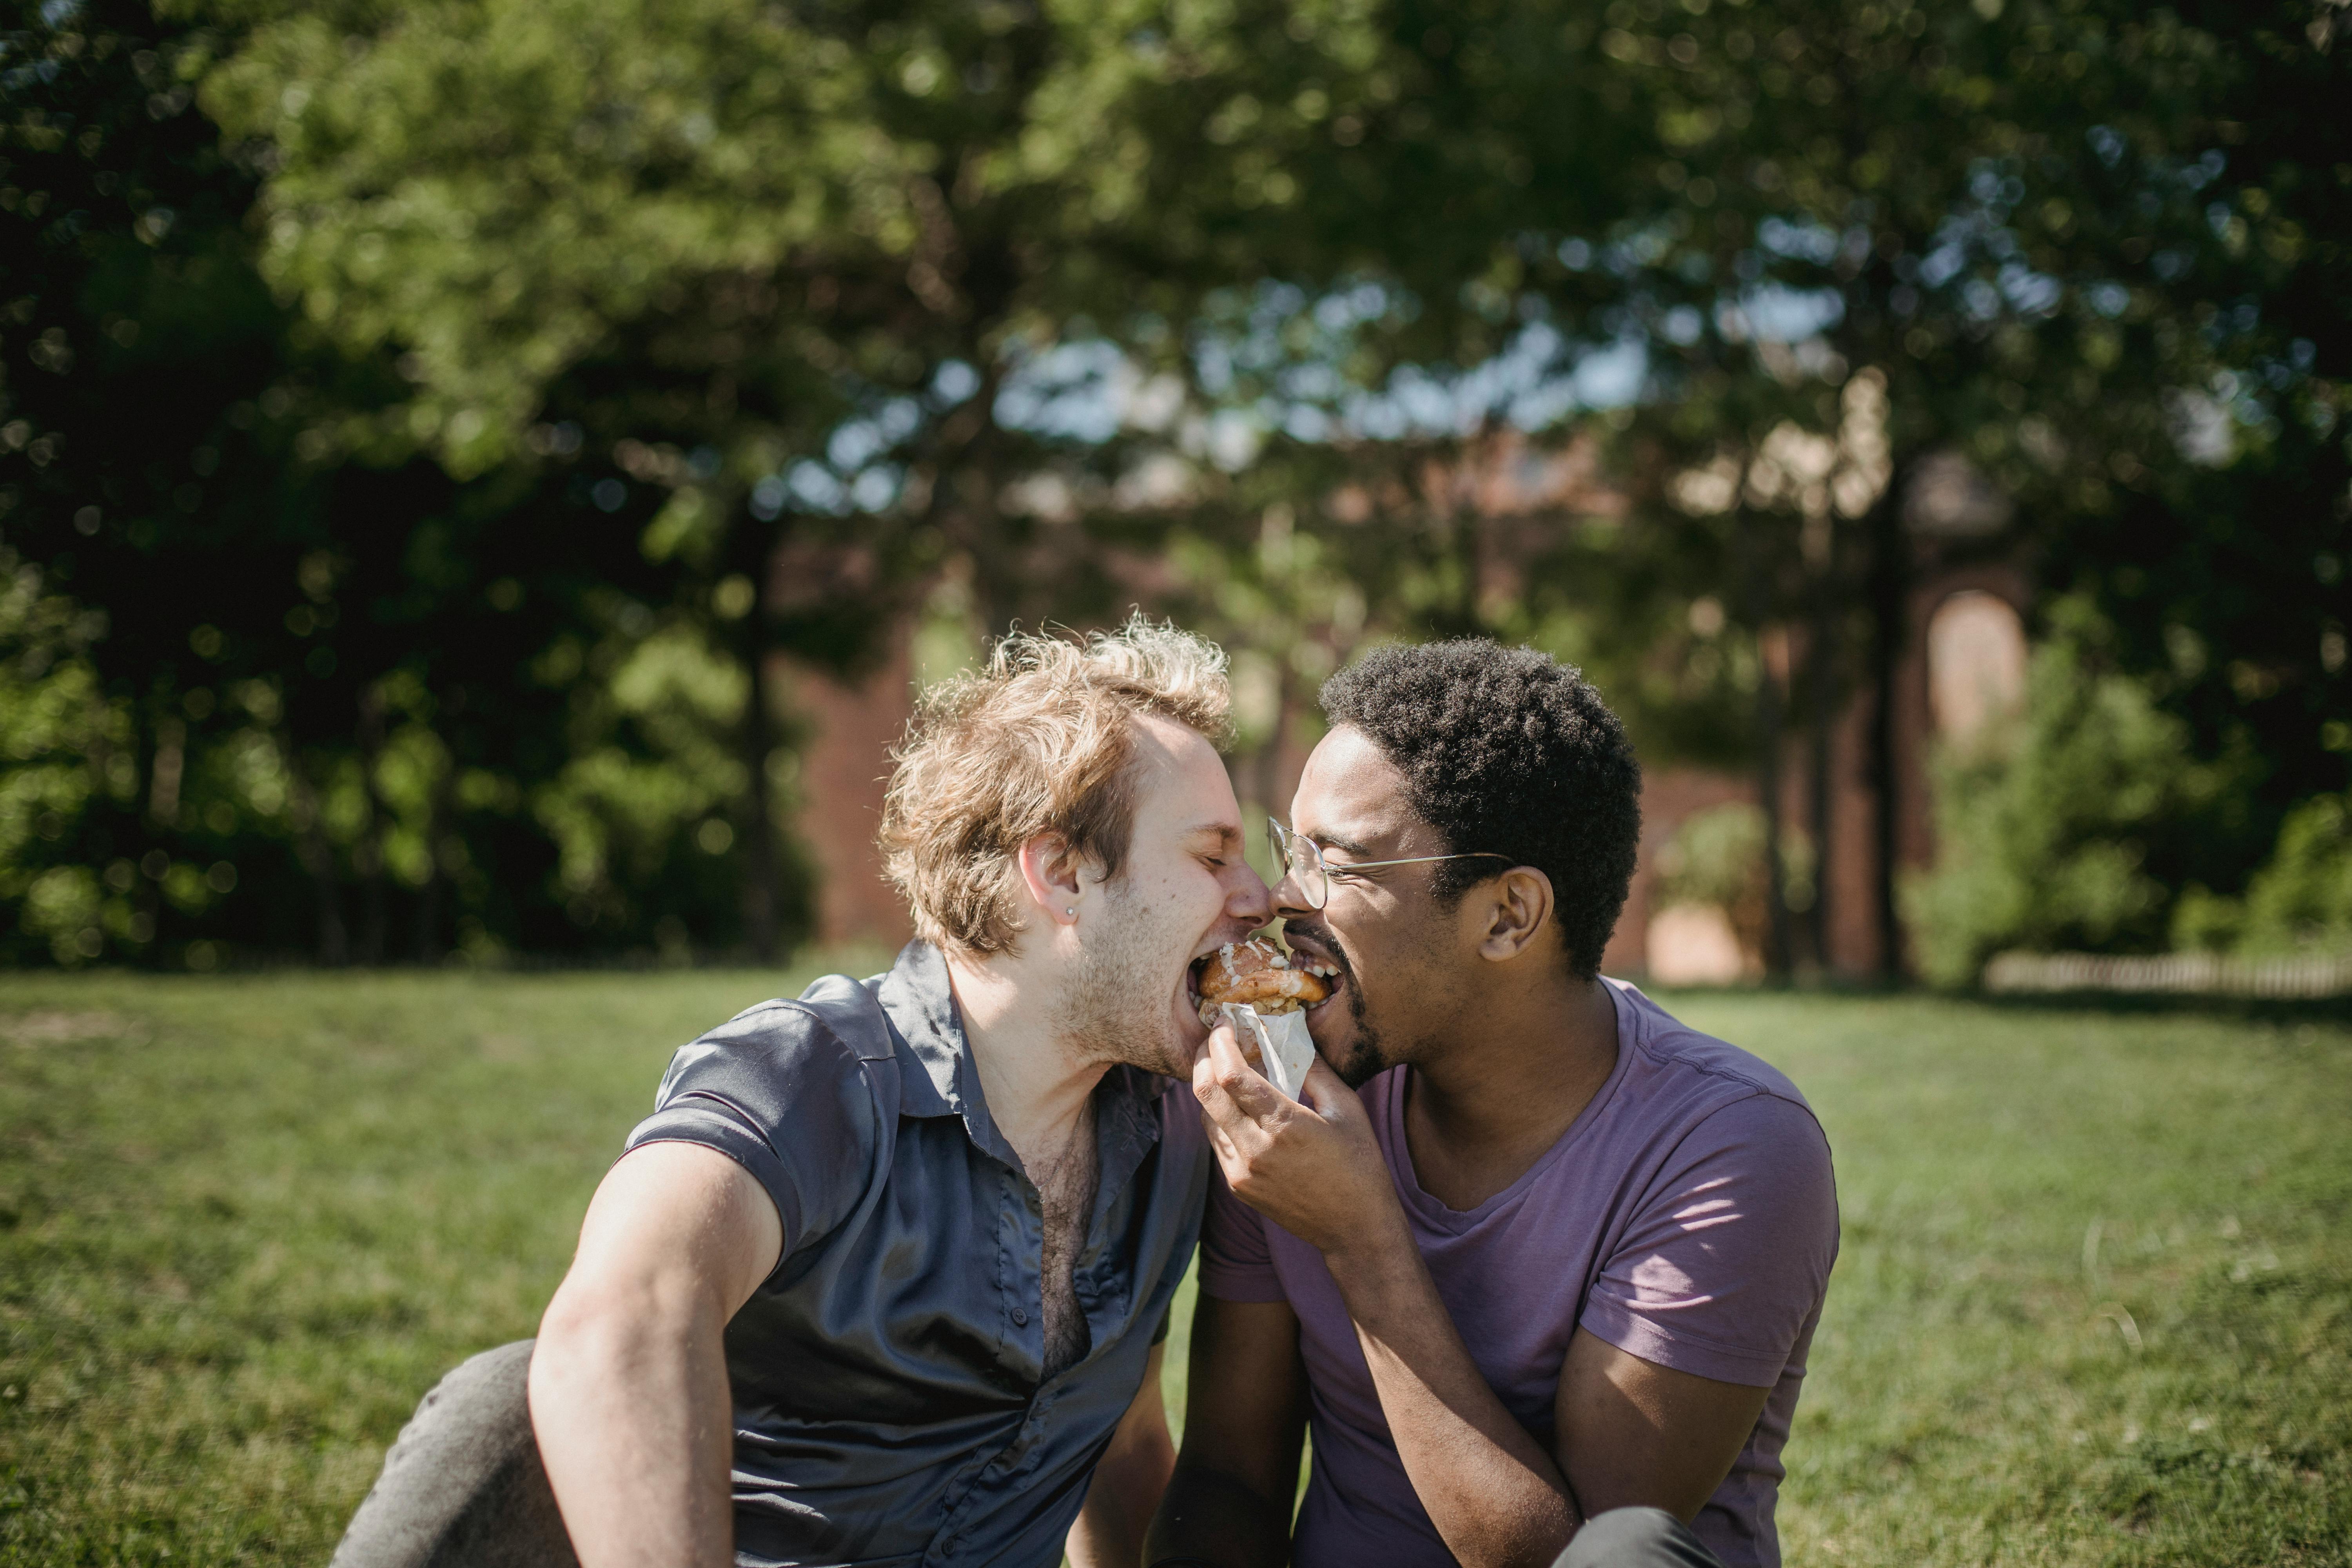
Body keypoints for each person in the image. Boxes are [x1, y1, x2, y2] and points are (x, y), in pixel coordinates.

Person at [330, 616, 1272, 1568]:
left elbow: (1124, 1443)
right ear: (1063, 873)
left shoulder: (1175, 1131)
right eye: (1212, 855)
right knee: (502, 1400)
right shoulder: (807, 1074)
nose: (1259, 895)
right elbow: (629, 1315)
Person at [1145, 640, 1839, 1568]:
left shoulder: (1731, 1148)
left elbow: (1581, 1553)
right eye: (1289, 849)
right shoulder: (1289, 1092)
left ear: (1509, 915)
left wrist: (1361, 1236)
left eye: (1334, 863)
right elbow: (1231, 1472)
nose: (1279, 896)